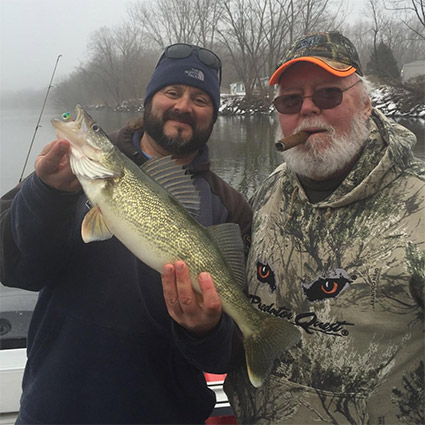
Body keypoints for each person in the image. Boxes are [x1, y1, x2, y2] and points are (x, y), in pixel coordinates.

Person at [0, 43, 252, 424]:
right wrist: (46, 194)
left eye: (200, 99)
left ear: (213, 114)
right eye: (172, 92)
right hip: (54, 410)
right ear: (150, 100)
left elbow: (226, 357)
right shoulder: (69, 173)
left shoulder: (230, 208)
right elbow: (14, 270)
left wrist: (207, 330)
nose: (183, 105)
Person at [221, 31, 424, 424]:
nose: (308, 110)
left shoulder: (418, 204)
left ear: (365, 104)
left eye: (328, 94)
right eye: (290, 100)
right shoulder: (268, 192)